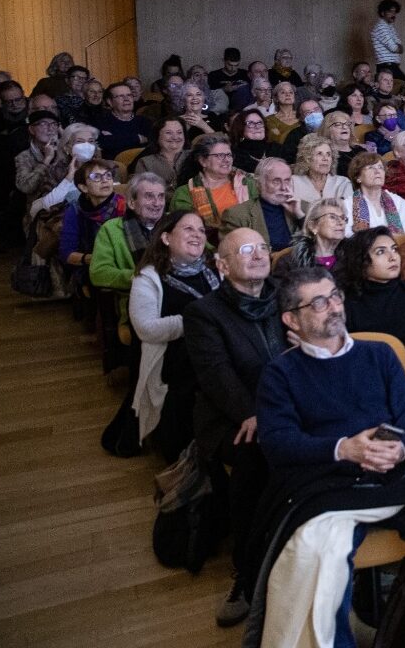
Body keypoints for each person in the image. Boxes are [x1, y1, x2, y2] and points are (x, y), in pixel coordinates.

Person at [255, 266, 405, 648]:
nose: (334, 306)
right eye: (318, 302)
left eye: (335, 295)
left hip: (393, 471)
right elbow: (278, 442)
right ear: (291, 319)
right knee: (321, 554)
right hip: (329, 482)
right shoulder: (280, 373)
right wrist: (344, 448)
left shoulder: (380, 354)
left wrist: (398, 448)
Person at [182, 227, 281, 627]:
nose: (258, 254)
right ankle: (248, 569)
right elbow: (218, 378)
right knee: (256, 453)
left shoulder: (286, 297)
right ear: (222, 266)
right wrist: (254, 414)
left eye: (262, 247)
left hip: (286, 408)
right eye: (245, 249)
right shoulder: (204, 313)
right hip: (231, 418)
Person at [130, 208, 220, 463]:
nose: (197, 235)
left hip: (214, 352)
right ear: (166, 237)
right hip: (174, 360)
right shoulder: (149, 277)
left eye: (201, 230)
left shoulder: (215, 267)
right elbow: (145, 328)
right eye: (188, 229)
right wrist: (197, 322)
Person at [334, 227, 405, 361]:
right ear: (361, 261)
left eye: (394, 249)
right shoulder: (344, 303)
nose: (393, 257)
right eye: (381, 252)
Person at [90, 173, 170, 294]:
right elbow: (99, 273)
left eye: (161, 196)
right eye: (149, 197)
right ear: (132, 203)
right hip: (136, 296)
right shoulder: (111, 229)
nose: (157, 203)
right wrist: (141, 277)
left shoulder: (176, 223)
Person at [221, 158, 301, 251]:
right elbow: (234, 255)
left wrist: (300, 216)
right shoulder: (236, 216)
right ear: (259, 184)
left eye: (287, 180)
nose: (284, 187)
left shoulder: (303, 207)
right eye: (276, 181)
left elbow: (318, 245)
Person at [343, 152, 405, 235]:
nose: (377, 171)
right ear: (358, 177)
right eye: (371, 167)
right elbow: (346, 236)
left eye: (380, 167)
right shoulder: (347, 205)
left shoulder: (399, 202)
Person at [291, 133, 353, 212]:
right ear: (307, 158)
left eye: (328, 154)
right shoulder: (294, 182)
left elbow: (348, 213)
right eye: (319, 154)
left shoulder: (342, 183)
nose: (325, 158)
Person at [279, 198, 346, 272]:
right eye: (332, 217)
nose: (341, 222)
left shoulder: (353, 257)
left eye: (343, 218)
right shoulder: (290, 262)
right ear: (313, 226)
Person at [94, 82, 152, 156]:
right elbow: (103, 143)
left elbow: (151, 144)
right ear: (110, 102)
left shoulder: (144, 122)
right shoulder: (101, 121)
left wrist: (116, 139)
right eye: (121, 96)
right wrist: (138, 138)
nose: (126, 99)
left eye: (129, 95)